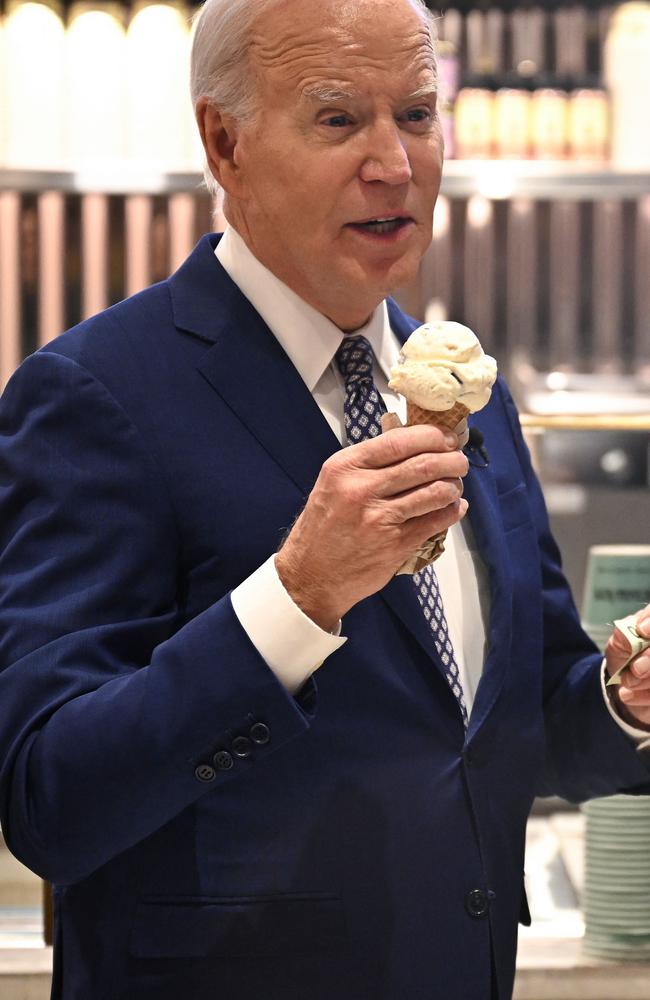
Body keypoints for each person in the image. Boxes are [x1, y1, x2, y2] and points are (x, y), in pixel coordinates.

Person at [0, 0, 649, 997]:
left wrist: (618, 699)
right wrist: (295, 598)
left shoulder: (473, 393)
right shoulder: (95, 396)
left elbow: (516, 717)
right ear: (224, 142)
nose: (394, 163)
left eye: (418, 115)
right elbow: (50, 800)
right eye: (338, 119)